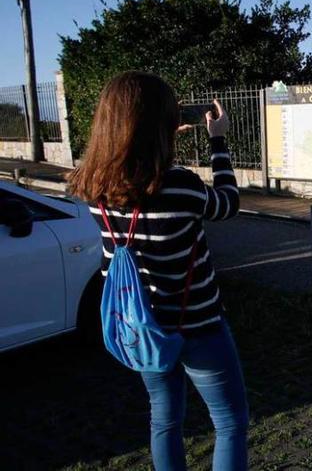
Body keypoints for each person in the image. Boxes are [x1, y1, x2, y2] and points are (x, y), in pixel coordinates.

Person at [67, 71, 248, 470]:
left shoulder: (92, 186)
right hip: (199, 324)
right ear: (158, 124)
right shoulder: (181, 185)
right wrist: (217, 139)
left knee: (164, 420)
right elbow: (227, 202)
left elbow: (133, 177)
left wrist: (160, 135)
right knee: (230, 422)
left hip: (144, 328)